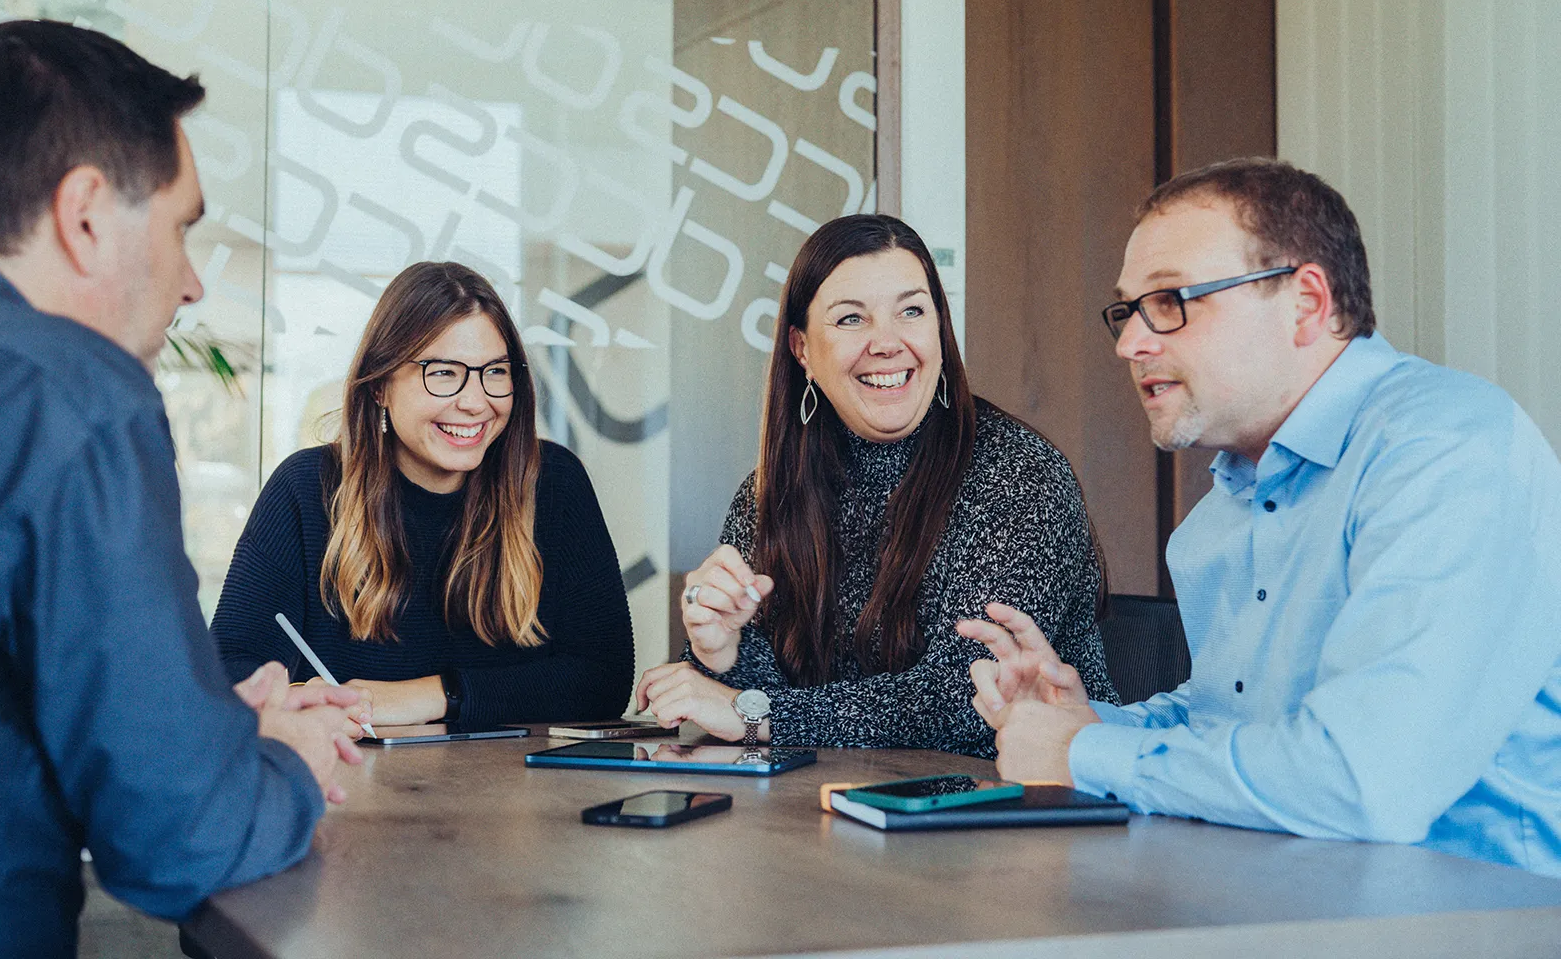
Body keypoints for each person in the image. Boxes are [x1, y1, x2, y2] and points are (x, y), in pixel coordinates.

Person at [0, 20, 360, 958]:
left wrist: (206, 735)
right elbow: (180, 843)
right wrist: (286, 762)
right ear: (83, 216)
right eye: (180, 226)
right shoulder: (71, 394)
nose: (193, 282)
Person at [963, 158, 1561, 876]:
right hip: (1289, 902)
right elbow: (1236, 720)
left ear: (1306, 303)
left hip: (1484, 920)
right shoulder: (1218, 521)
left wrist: (1083, 753)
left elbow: (1365, 779)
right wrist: (1084, 721)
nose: (1131, 343)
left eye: (1172, 300)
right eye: (1129, 311)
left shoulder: (1445, 451)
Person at [635, 214, 1117, 754]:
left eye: (911, 311)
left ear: (939, 329)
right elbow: (745, 713)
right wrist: (721, 651)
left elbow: (967, 703)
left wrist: (751, 711)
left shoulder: (1017, 472)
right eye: (850, 320)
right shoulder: (768, 492)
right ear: (801, 349)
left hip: (1018, 812)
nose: (886, 342)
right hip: (834, 811)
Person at [210, 261, 634, 729]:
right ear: (378, 386)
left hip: (519, 796)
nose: (475, 401)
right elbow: (232, 672)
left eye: (494, 371)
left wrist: (435, 696)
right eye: (444, 372)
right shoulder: (307, 489)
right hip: (352, 789)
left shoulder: (552, 482)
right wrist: (297, 700)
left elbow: (603, 680)